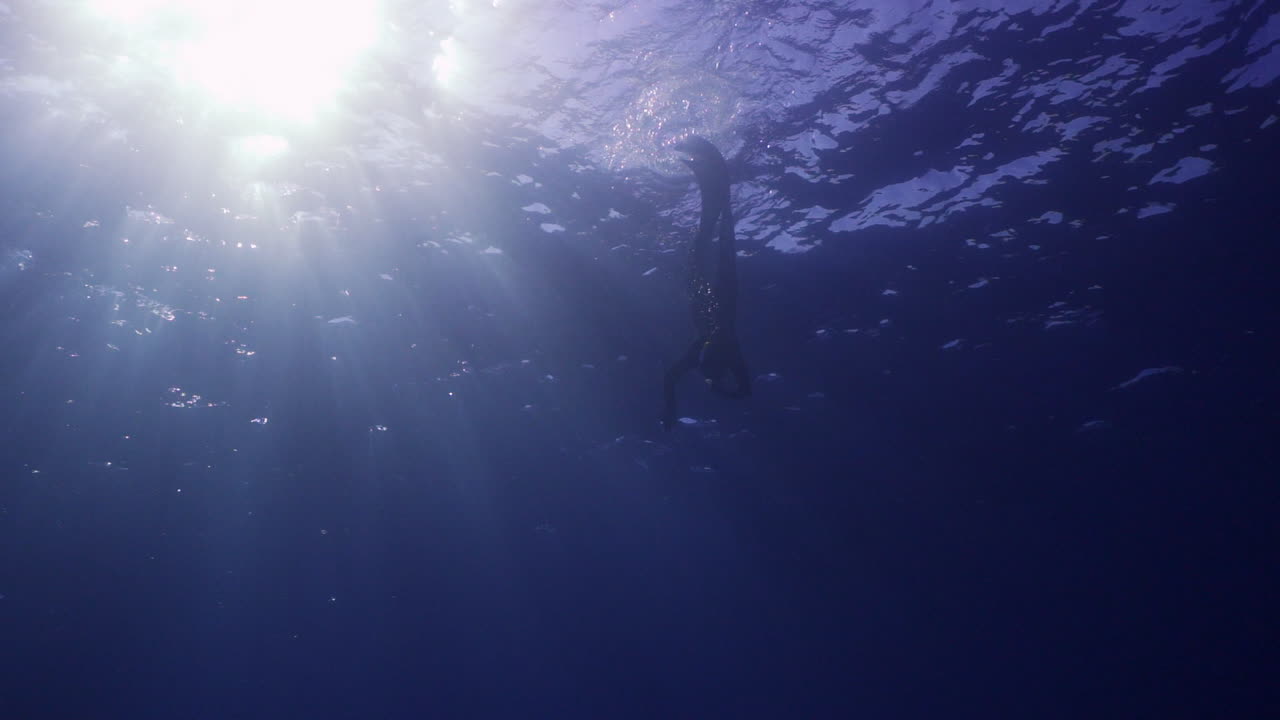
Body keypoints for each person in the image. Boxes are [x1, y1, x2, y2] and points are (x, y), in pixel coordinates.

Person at [662, 136, 751, 431]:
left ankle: (710, 191)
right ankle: (715, 195)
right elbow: (745, 389)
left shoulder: (700, 352)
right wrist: (723, 390)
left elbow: (670, 379)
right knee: (723, 238)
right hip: (726, 290)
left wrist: (670, 410)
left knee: (702, 249)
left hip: (705, 290)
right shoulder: (728, 352)